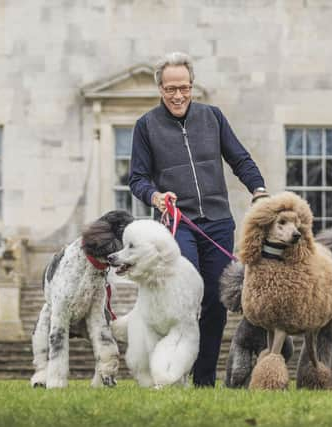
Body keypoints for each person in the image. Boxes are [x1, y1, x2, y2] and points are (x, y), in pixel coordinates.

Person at [129, 52, 268, 387]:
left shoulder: (213, 118)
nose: (178, 95)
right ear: (160, 89)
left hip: (219, 222)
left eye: (185, 87)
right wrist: (156, 197)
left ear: (192, 87)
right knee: (185, 299)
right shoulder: (146, 126)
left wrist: (259, 190)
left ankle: (203, 379)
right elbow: (137, 179)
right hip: (178, 224)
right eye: (171, 89)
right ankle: (171, 371)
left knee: (217, 304)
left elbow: (240, 158)